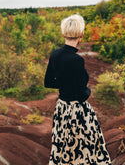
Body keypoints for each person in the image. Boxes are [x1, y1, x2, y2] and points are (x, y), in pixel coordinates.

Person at [44, 14, 111, 164]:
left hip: (61, 109)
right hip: (78, 112)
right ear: (81, 35)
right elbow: (81, 94)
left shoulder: (55, 54)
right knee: (89, 151)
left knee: (62, 150)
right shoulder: (77, 60)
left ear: (63, 34)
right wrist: (88, 91)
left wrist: (64, 84)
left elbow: (48, 82)